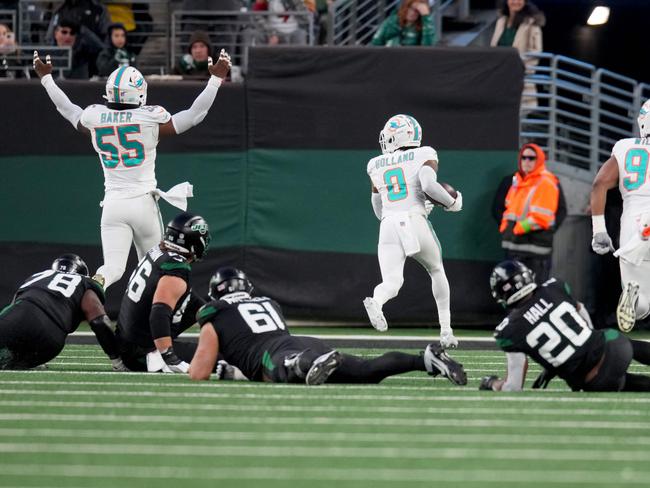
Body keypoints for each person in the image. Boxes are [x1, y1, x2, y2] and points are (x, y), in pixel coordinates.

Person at [33, 48, 231, 290]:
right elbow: (194, 115)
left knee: (112, 268)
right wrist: (215, 80)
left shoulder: (95, 118)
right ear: (138, 93)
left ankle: (94, 285)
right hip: (143, 203)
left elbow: (68, 109)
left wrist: (46, 79)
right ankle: (144, 320)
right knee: (152, 271)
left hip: (113, 205)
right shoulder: (149, 119)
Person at [189, 267, 467, 385]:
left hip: (278, 355)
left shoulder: (216, 314)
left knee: (283, 369)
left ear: (217, 293)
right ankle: (425, 361)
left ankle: (304, 364)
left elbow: (199, 373)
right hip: (302, 342)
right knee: (366, 371)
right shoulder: (267, 302)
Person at [362, 114, 463, 349]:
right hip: (414, 219)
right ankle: (446, 331)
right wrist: (451, 203)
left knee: (392, 282)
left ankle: (377, 301)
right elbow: (428, 185)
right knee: (436, 269)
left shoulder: (375, 164)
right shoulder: (424, 153)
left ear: (398, 135)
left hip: (387, 224)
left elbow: (378, 207)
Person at [482, 260, 650, 392]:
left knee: (620, 382)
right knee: (619, 342)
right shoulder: (554, 287)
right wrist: (589, 336)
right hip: (616, 348)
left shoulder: (508, 331)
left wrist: (492, 383)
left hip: (595, 379)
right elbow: (580, 308)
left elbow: (513, 387)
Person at [115, 212, 210, 373]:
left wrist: (220, 320)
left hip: (127, 343)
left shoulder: (158, 252)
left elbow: (193, 304)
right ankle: (159, 354)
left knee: (196, 305)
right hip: (142, 351)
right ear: (194, 241)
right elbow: (159, 313)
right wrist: (169, 356)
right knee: (220, 356)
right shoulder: (176, 267)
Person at [0, 254, 124, 371]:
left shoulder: (38, 276)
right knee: (15, 362)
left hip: (19, 316)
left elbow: (13, 305)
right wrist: (117, 360)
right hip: (50, 339)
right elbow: (99, 321)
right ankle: (24, 361)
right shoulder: (85, 282)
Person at [590, 99, 650, 333]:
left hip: (630, 226)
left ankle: (633, 295)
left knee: (641, 308)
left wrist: (599, 230)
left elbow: (599, 184)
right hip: (642, 226)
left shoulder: (626, 147)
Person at [499, 143, 560, 283]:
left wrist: (518, 228)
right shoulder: (518, 181)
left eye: (531, 158)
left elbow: (542, 217)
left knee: (534, 293)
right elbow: (510, 208)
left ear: (539, 160)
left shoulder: (546, 182)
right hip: (515, 247)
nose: (526, 161)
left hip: (534, 251)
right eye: (523, 157)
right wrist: (505, 227)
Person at [490, 0, 544, 110]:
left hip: (518, 79)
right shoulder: (501, 21)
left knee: (517, 117)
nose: (515, 1)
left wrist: (517, 68)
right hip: (499, 79)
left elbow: (535, 53)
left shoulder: (531, 23)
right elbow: (493, 49)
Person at [371, 0, 435, 47]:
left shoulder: (425, 25)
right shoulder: (391, 22)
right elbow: (375, 44)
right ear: (405, 7)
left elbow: (428, 49)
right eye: (410, 8)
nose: (412, 13)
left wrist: (426, 16)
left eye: (417, 11)